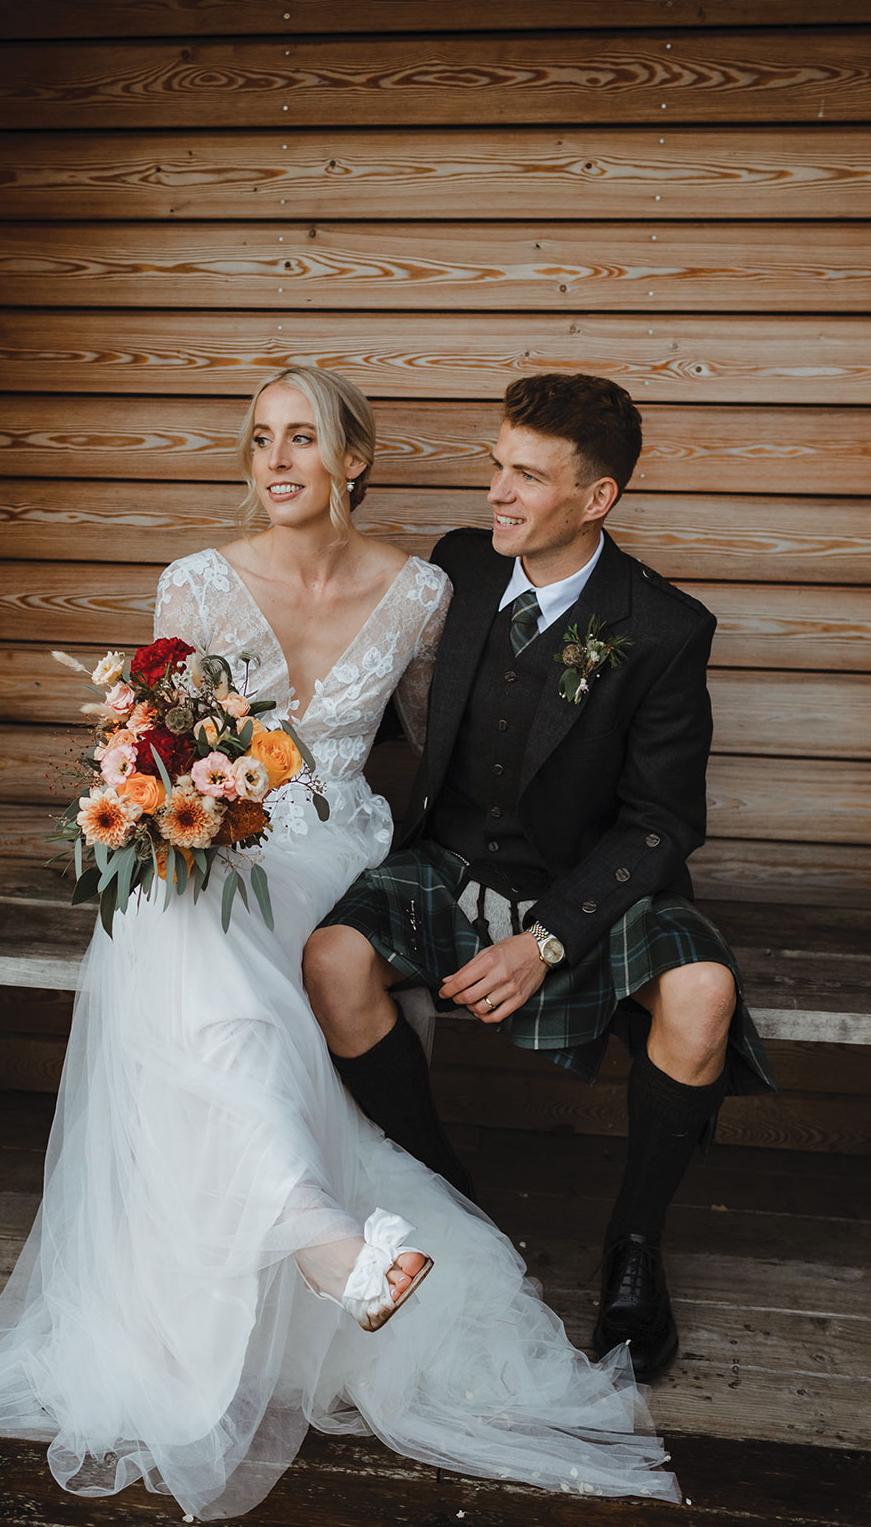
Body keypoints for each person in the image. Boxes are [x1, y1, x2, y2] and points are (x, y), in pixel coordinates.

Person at [0, 367, 681, 1521]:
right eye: (258, 442)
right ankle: (323, 1236)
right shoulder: (194, 582)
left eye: (302, 441)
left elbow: (444, 749)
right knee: (178, 913)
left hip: (338, 850)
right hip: (213, 837)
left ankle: (314, 1231)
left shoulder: (427, 591)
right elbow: (158, 752)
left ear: (354, 460)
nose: (276, 463)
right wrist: (154, 811)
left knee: (191, 942)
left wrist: (503, 896)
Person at [305, 372, 775, 1383]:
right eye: (495, 465)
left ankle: (636, 1251)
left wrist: (548, 937)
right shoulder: (461, 570)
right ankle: (450, 1199)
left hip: (586, 882)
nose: (497, 494)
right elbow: (375, 698)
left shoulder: (662, 626)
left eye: (527, 475)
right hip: (449, 863)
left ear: (596, 499)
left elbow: (663, 822)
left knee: (703, 995)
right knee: (335, 961)